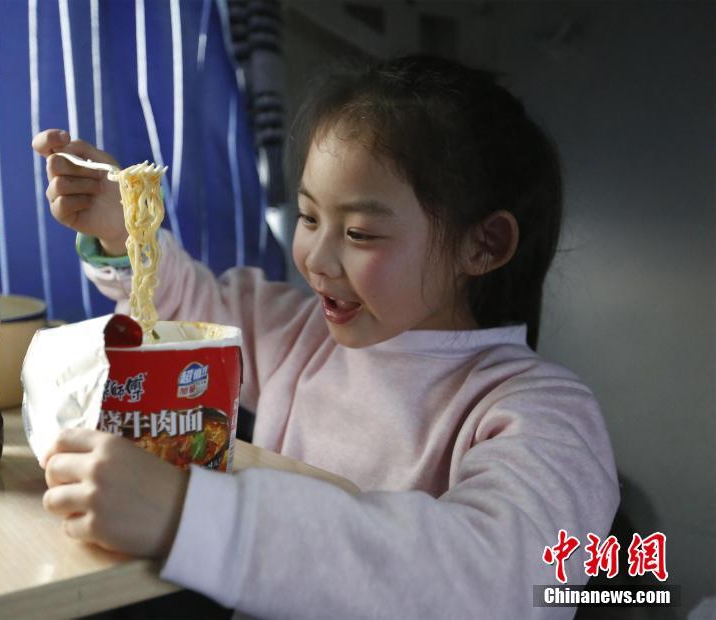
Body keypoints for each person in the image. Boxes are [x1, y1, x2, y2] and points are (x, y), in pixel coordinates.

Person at [31, 55, 619, 619]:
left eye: (360, 233)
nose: (316, 258)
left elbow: (505, 581)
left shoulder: (541, 411)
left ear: (482, 245)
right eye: (309, 218)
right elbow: (190, 308)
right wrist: (123, 233)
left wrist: (190, 516)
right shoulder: (302, 334)